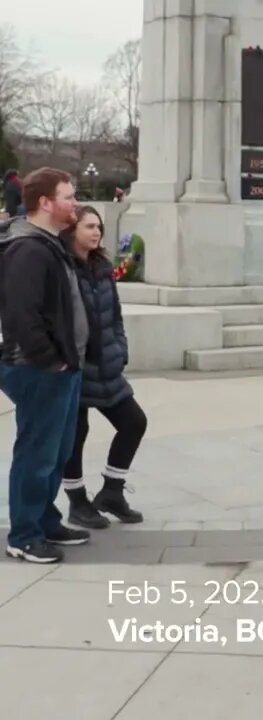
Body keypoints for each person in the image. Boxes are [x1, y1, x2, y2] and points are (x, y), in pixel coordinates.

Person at [0, 167, 91, 563]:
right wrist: (50, 361)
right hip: (39, 370)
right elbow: (22, 315)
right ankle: (23, 535)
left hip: (62, 369)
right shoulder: (29, 249)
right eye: (68, 196)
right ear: (45, 203)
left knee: (56, 452)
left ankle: (45, 519)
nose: (74, 202)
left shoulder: (50, 243)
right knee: (37, 454)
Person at [58, 206, 146, 529]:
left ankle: (112, 491)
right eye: (89, 226)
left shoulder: (104, 267)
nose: (96, 232)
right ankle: (77, 502)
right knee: (75, 436)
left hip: (107, 365)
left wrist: (120, 348)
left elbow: (116, 315)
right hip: (76, 368)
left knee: (134, 422)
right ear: (72, 230)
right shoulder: (63, 267)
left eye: (99, 227)